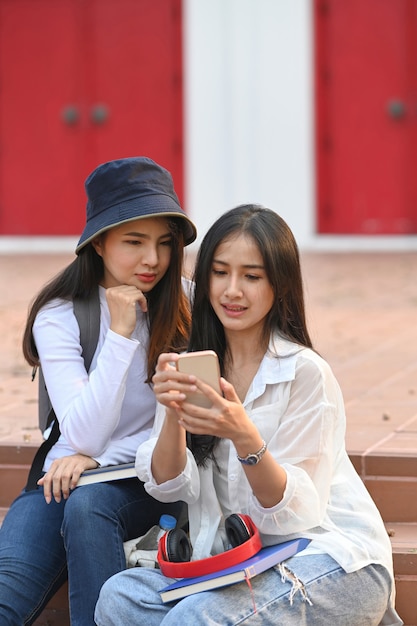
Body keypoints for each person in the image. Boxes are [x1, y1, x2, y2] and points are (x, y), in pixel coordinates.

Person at [95, 204, 403, 626]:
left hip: (329, 560)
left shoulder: (304, 373)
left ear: (280, 286)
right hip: (242, 565)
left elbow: (295, 515)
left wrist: (245, 438)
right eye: (220, 272)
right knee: (119, 597)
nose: (232, 290)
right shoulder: (191, 365)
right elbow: (167, 486)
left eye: (251, 276)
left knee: (193, 619)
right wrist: (172, 415)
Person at [0, 157, 197, 626]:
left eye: (164, 243)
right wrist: (120, 334)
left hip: (149, 478)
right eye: (134, 241)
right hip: (60, 480)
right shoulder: (60, 313)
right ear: (100, 242)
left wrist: (96, 459)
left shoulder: (189, 304)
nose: (153, 259)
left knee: (91, 504)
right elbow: (84, 433)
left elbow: (97, 443)